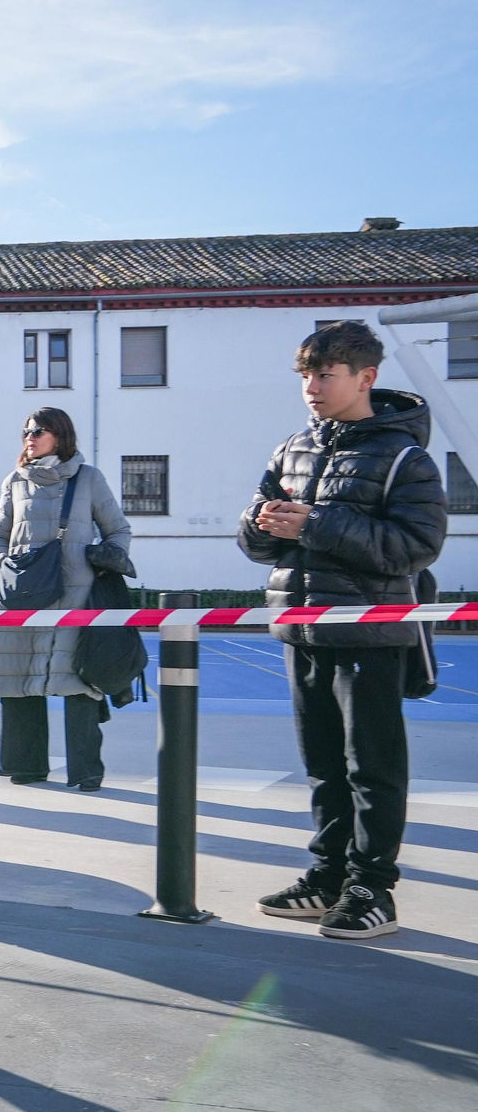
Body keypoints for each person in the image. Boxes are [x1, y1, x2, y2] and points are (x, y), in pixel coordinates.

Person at [240, 321, 446, 940]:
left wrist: (313, 525)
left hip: (370, 635)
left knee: (371, 767)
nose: (312, 386)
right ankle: (327, 877)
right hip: (302, 629)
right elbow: (253, 542)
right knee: (324, 765)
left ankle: (372, 888)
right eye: (305, 374)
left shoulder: (405, 458)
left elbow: (417, 546)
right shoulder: (291, 448)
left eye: (325, 374)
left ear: (366, 378)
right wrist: (264, 523)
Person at [0, 407, 131, 790]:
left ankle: (86, 772)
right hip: (22, 595)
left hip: (76, 596)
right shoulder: (14, 481)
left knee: (78, 681)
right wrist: (3, 569)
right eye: (25, 431)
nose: (29, 437)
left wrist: (101, 565)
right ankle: (26, 766)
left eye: (39, 431)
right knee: (19, 678)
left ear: (60, 436)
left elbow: (118, 530)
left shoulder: (89, 479)